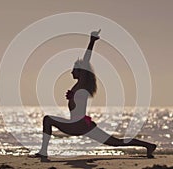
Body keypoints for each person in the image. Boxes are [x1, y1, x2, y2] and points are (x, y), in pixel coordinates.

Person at [34, 30, 156, 160]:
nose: (71, 72)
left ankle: (43, 152)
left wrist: (91, 42)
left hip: (78, 125)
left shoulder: (82, 84)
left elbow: (86, 61)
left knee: (48, 119)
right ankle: (148, 145)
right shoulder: (78, 86)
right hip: (79, 124)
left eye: (74, 69)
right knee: (115, 142)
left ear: (81, 71)